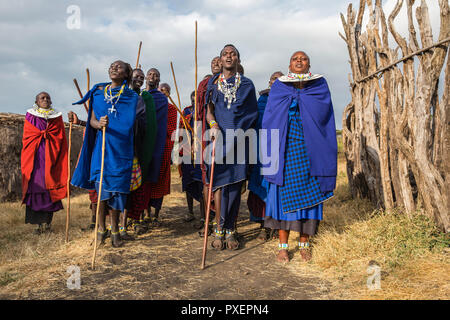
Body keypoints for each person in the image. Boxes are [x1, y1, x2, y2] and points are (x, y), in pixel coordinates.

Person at [262, 51, 337, 262]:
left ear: (308, 64)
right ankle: (283, 247)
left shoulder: (319, 85)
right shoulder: (279, 86)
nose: (299, 61)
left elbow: (324, 114)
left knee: (309, 198)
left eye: (303, 59)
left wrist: (303, 102)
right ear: (289, 64)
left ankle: (304, 244)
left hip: (312, 149)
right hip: (284, 149)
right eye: (295, 59)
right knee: (281, 196)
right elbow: (271, 118)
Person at [71, 60, 138, 248]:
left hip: (121, 150)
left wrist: (113, 125)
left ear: (126, 74)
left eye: (119, 67)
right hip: (102, 150)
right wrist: (98, 124)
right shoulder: (99, 93)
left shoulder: (131, 96)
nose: (114, 68)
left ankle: (115, 229)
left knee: (117, 191)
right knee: (101, 191)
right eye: (112, 66)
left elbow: (128, 123)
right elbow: (92, 120)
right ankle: (101, 229)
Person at [205, 44, 258, 250]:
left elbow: (252, 114)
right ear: (220, 59)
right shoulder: (213, 84)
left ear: (238, 59)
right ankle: (219, 228)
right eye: (225, 54)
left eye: (233, 54)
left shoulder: (246, 85)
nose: (229, 56)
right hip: (218, 138)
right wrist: (212, 124)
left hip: (240, 139)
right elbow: (209, 110)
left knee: (235, 185)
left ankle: (231, 229)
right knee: (219, 184)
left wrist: (240, 132)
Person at [21, 92, 68, 234]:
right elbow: (28, 134)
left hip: (52, 158)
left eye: (47, 98)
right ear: (36, 101)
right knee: (37, 188)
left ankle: (47, 224)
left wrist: (50, 138)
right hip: (36, 160)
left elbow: (60, 136)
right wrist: (41, 135)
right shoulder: (30, 115)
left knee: (50, 189)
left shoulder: (57, 116)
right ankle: (38, 225)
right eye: (42, 98)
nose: (45, 99)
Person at [247, 71, 283, 242]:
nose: (276, 82)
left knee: (279, 189)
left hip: (282, 150)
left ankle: (276, 226)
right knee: (262, 187)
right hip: (263, 151)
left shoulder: (288, 98)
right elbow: (257, 123)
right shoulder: (262, 99)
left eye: (280, 79)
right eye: (274, 79)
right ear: (269, 82)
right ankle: (264, 226)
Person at [124, 68, 158, 236]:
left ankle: (136, 219)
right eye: (136, 76)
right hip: (121, 146)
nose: (139, 79)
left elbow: (150, 126)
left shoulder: (146, 98)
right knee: (120, 185)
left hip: (139, 147)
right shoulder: (120, 94)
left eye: (141, 78)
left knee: (137, 184)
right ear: (129, 76)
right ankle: (118, 224)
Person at [141, 68, 168, 228]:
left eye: (156, 75)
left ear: (159, 79)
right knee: (139, 178)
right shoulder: (139, 95)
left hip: (155, 141)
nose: (153, 76)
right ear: (146, 77)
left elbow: (161, 122)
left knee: (151, 178)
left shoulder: (161, 99)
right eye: (150, 74)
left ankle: (152, 213)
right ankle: (141, 214)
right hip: (139, 140)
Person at [178, 91, 205, 223]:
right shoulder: (186, 111)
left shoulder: (204, 112)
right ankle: (190, 212)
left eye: (197, 100)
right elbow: (181, 131)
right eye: (193, 100)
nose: (195, 103)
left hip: (201, 151)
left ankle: (202, 215)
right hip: (187, 151)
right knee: (188, 181)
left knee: (201, 183)